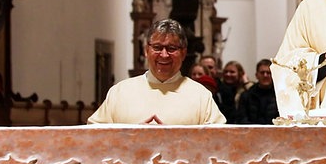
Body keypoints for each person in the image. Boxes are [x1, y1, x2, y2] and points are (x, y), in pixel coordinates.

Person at [88, 19, 226, 125]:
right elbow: (94, 137)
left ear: (183, 53)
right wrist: (130, 137)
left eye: (172, 48)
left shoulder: (201, 96)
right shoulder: (119, 92)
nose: (164, 55)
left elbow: (218, 142)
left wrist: (173, 139)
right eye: (157, 47)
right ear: (146, 51)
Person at [236, 59, 279, 124]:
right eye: (262, 72)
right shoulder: (246, 96)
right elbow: (242, 119)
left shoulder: (280, 97)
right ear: (256, 75)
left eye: (268, 73)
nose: (265, 75)